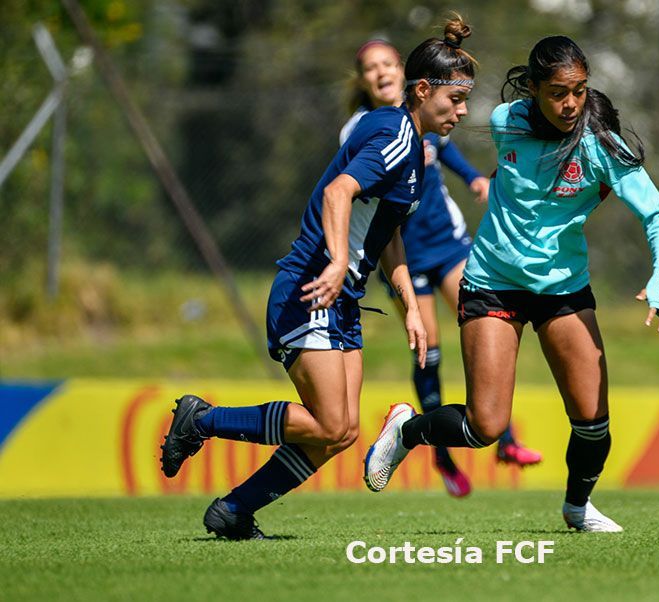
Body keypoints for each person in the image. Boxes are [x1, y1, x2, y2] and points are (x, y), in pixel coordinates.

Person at [159, 17, 479, 540]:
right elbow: (338, 193)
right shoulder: (396, 136)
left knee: (342, 433)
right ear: (423, 91)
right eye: (456, 99)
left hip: (341, 298)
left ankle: (234, 511)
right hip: (312, 290)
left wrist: (412, 307)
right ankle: (201, 420)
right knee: (330, 424)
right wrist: (335, 262)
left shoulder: (414, 153)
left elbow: (388, 236)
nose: (463, 111)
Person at [363, 36, 659, 533]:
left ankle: (577, 507)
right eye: (557, 92)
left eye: (578, 90)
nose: (570, 103)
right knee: (484, 426)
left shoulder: (601, 145)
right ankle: (407, 430)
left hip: (563, 289)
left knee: (594, 423)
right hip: (491, 282)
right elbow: (450, 108)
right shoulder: (505, 121)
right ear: (533, 90)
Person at [344, 40, 542, 498]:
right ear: (363, 80)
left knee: (486, 322)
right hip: (402, 255)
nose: (381, 72)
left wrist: (474, 176)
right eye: (370, 68)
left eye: (387, 63)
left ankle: (502, 436)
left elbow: (445, 149)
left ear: (404, 72)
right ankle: (441, 454)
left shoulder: (428, 118)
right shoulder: (371, 129)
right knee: (428, 348)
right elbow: (348, 192)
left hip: (448, 244)